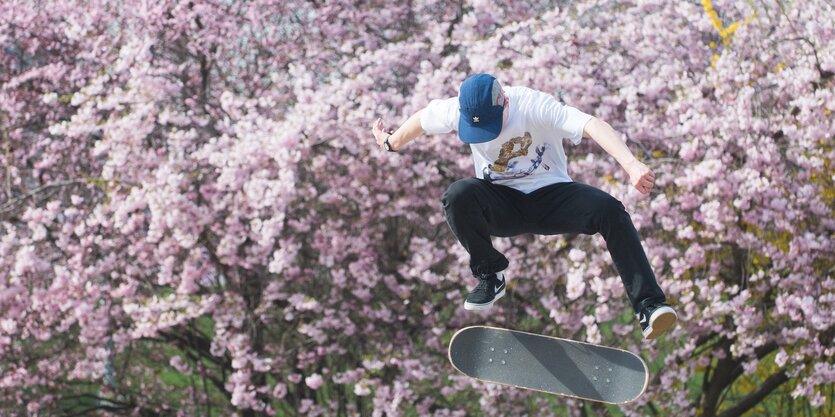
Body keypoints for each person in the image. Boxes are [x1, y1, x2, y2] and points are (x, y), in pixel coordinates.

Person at [371, 73, 677, 339]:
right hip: (501, 202)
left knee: (610, 209)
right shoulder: (456, 109)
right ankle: (490, 277)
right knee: (458, 194)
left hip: (553, 197)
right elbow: (422, 119)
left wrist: (631, 164)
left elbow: (592, 124)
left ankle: (649, 306)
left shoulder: (534, 105)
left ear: (505, 102)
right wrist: (389, 142)